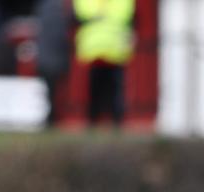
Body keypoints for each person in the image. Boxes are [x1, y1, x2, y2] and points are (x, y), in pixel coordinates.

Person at [73, 0, 135, 127]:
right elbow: (80, 13)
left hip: (114, 49)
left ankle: (116, 120)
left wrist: (99, 14)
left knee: (115, 88)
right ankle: (94, 119)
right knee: (95, 87)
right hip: (95, 49)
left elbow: (126, 13)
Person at [35, 0, 71, 128]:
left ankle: (51, 118)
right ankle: (52, 118)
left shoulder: (44, 7)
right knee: (54, 92)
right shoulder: (64, 7)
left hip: (46, 58)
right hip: (55, 57)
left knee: (50, 91)